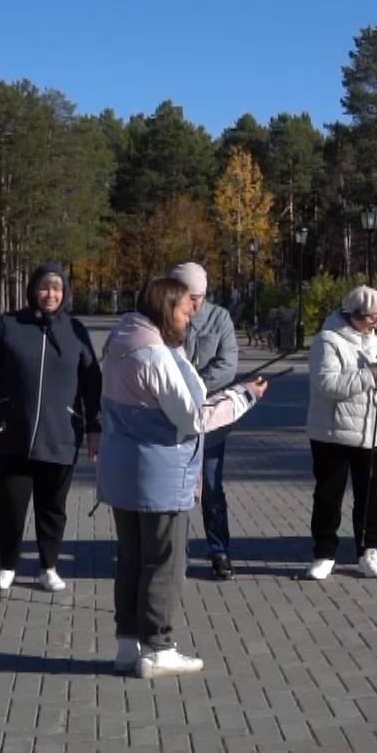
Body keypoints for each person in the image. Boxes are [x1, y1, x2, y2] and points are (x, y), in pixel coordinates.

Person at [97, 275, 267, 678]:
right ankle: (157, 647)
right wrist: (243, 397)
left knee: (133, 559)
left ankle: (128, 644)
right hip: (159, 472)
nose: (191, 318)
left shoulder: (121, 341)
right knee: (166, 562)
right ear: (163, 309)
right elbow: (193, 418)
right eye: (185, 310)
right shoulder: (153, 355)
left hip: (123, 469)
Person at [0, 262, 101, 593]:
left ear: (65, 292)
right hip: (14, 434)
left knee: (52, 508)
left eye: (56, 288)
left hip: (61, 434)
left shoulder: (76, 331)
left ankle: (48, 566)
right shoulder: (9, 325)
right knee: (11, 505)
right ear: (33, 290)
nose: (50, 294)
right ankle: (7, 566)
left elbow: (92, 382)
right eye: (44, 287)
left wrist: (94, 428)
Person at [304, 285, 377, 580]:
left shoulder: (374, 342)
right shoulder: (328, 340)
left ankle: (368, 551)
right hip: (332, 432)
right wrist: (371, 375)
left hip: (373, 431)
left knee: (371, 497)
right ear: (355, 315)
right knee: (328, 496)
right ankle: (324, 553)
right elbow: (327, 385)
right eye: (372, 318)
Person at [169, 262, 242, 581]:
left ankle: (219, 551)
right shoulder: (164, 317)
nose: (194, 303)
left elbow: (227, 365)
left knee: (211, 487)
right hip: (171, 416)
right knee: (175, 488)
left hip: (211, 417)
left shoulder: (219, 317)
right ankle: (173, 553)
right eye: (188, 296)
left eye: (199, 296)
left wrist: (195, 384)